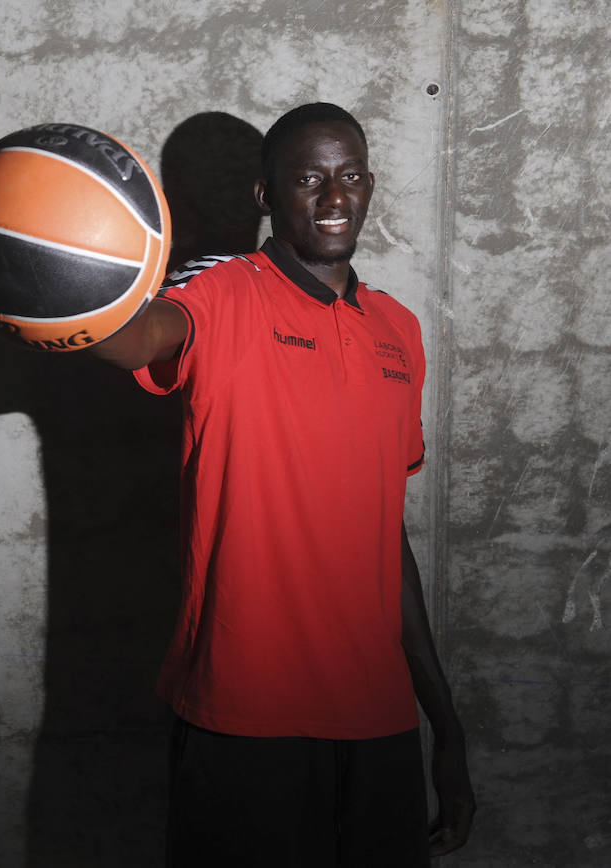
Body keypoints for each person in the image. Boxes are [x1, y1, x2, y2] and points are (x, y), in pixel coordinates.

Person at [91, 103, 476, 865]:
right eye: (308, 178)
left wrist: (447, 730)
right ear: (266, 196)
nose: (335, 199)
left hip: (380, 722)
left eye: (351, 177)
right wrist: (46, 288)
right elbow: (135, 335)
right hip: (245, 716)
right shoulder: (225, 292)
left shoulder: (397, 330)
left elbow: (382, 533)